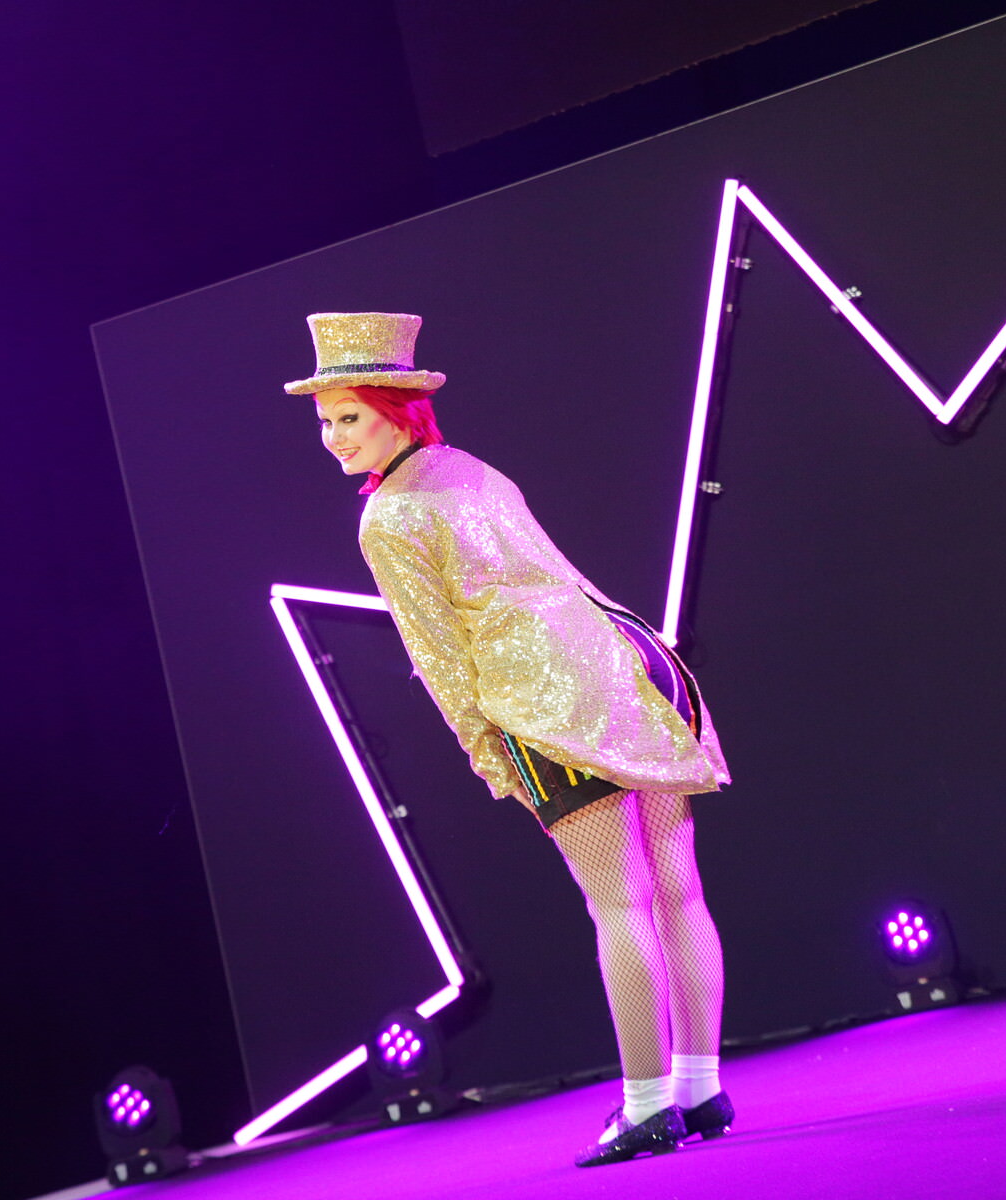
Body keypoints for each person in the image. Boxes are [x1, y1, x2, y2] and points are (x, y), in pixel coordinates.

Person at [285, 312, 735, 1167]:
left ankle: (647, 1105)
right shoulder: (471, 469)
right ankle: (699, 1087)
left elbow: (442, 659)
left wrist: (489, 755)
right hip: (637, 666)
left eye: (349, 417)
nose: (334, 437)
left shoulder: (387, 519)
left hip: (550, 697)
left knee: (619, 902)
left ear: (395, 412)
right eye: (326, 421)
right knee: (678, 891)